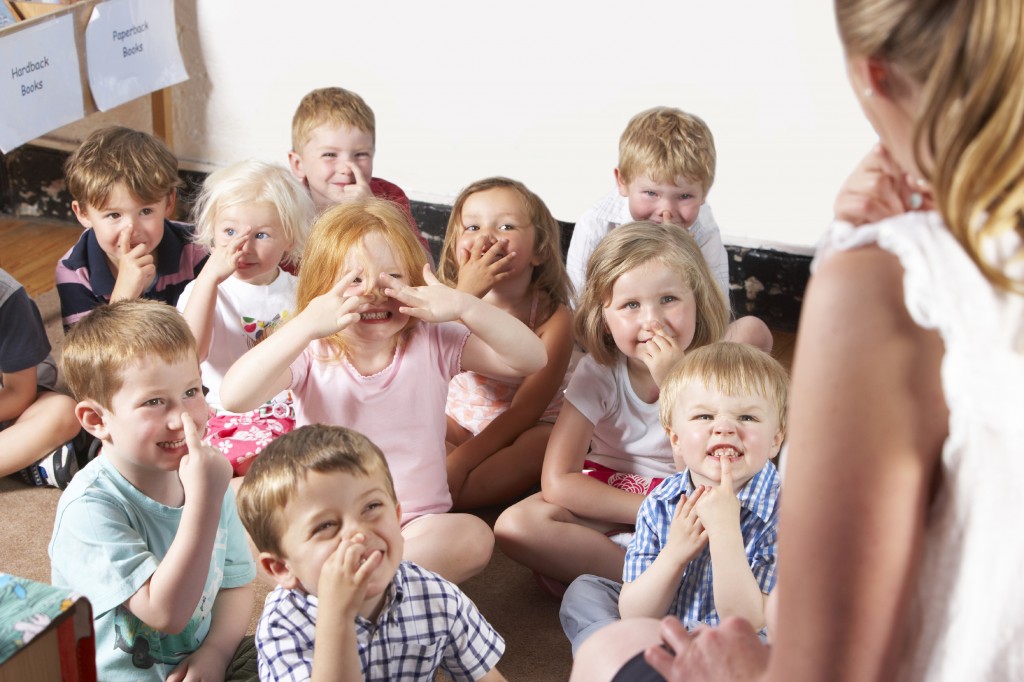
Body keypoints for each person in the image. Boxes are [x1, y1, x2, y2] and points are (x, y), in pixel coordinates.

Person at [574, 0, 1024, 679]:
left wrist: (745, 668)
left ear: (871, 73)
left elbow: (823, 658)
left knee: (609, 647)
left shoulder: (888, 279)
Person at [219, 198, 546, 584]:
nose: (375, 293)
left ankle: (345, 589)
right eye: (354, 280)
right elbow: (234, 397)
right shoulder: (312, 348)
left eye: (393, 278)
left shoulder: (434, 338)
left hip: (413, 525)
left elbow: (530, 359)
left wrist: (462, 305)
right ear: (321, 290)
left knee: (473, 537)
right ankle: (371, 589)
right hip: (323, 520)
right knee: (231, 498)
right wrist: (305, 323)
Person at [494, 221, 729, 596]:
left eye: (668, 299)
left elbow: (706, 478)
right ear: (603, 317)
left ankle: (624, 572)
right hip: (613, 494)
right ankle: (653, 582)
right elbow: (558, 481)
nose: (651, 321)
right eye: (630, 305)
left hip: (688, 498)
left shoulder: (718, 374)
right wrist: (647, 512)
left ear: (698, 300)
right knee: (516, 525)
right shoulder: (598, 373)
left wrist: (676, 387)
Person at [48, 299, 256, 680]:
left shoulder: (205, 474)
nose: (182, 418)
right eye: (154, 402)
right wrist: (205, 501)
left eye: (193, 391)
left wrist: (215, 653)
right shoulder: (89, 509)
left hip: (204, 659)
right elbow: (166, 614)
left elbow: (236, 584)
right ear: (96, 420)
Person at [562, 342, 784, 662]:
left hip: (744, 641)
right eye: (704, 415)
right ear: (676, 440)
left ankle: (639, 662)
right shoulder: (663, 500)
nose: (724, 427)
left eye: (747, 416)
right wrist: (674, 555)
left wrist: (725, 532)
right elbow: (637, 613)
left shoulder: (784, 514)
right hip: (668, 624)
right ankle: (641, 659)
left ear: (775, 439)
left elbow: (749, 621)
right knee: (586, 591)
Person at [237, 424, 507, 681]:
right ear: (282, 568)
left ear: (397, 515)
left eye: (371, 507)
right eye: (326, 525)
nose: (358, 533)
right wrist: (338, 616)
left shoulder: (434, 594)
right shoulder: (283, 625)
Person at [565, 106, 772, 352]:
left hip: (681, 338)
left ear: (704, 192)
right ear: (622, 182)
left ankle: (679, 377)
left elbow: (717, 309)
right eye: (651, 193)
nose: (666, 211)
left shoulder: (703, 227)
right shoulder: (596, 224)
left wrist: (686, 251)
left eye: (684, 196)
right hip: (618, 344)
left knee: (753, 331)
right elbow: (578, 309)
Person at [436, 177, 575, 509]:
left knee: (543, 443)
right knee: (408, 428)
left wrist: (463, 461)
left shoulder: (555, 318)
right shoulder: (444, 299)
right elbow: (424, 360)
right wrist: (465, 297)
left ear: (539, 250)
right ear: (456, 244)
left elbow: (526, 410)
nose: (486, 238)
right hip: (458, 418)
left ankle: (455, 491)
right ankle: (447, 487)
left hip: (523, 425)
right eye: (471, 227)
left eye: (506, 226)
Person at [177, 160, 316, 478]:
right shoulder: (202, 292)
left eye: (262, 235)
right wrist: (208, 280)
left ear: (290, 240)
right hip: (226, 416)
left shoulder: (302, 293)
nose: (243, 246)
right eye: (229, 231)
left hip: (291, 412)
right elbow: (189, 357)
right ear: (212, 233)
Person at [56, 126, 207, 330]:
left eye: (145, 211)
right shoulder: (74, 271)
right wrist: (123, 296)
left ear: (169, 203)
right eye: (113, 215)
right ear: (83, 213)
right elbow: (88, 360)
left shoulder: (197, 247)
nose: (131, 229)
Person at [287, 86, 431, 256]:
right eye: (330, 155)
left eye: (361, 154)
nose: (347, 168)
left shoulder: (388, 196)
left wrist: (374, 211)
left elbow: (424, 265)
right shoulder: (287, 207)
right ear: (298, 164)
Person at [0, 268, 88, 488]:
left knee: (64, 412)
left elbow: (19, 394)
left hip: (14, 393)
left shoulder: (8, 297)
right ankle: (28, 458)